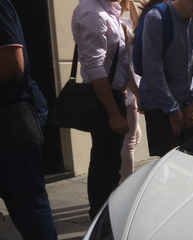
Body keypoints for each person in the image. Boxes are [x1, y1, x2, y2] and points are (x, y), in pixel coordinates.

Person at [0, 0, 62, 240]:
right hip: (8, 115)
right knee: (14, 194)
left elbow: (13, 62)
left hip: (13, 117)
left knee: (28, 193)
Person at [72, 0, 130, 220]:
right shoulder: (92, 13)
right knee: (104, 166)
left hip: (112, 96)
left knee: (108, 162)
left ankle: (104, 216)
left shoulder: (107, 10)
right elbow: (94, 66)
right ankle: (100, 220)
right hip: (105, 101)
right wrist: (113, 112)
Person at [138, 0, 193, 157]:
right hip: (158, 105)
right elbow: (153, 68)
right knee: (166, 163)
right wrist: (171, 108)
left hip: (189, 104)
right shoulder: (156, 17)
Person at [119, 0, 142, 182]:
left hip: (131, 88)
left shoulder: (123, 24)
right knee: (130, 142)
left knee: (134, 138)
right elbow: (124, 68)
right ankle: (125, 181)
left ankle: (121, 176)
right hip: (129, 90)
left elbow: (136, 20)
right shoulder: (119, 26)